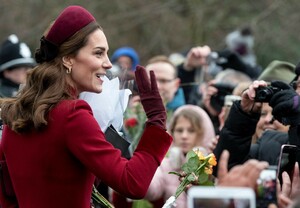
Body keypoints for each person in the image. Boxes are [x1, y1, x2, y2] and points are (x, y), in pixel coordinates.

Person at [0, 5, 172, 208]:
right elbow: (132, 183)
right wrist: (157, 121)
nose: (108, 63)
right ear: (68, 58)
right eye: (98, 53)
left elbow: (7, 195)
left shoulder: (16, 112)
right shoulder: (73, 114)